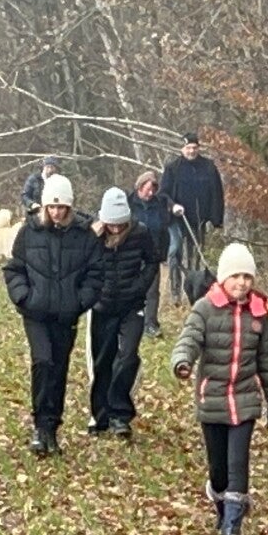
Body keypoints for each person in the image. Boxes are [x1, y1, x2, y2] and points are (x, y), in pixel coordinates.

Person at [170, 243, 268, 535]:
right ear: (223, 278)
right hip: (213, 399)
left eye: (247, 277)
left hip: (245, 401)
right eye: (235, 276)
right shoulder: (205, 308)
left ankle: (232, 527)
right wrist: (182, 361)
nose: (241, 283)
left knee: (238, 464)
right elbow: (189, 339)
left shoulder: (258, 312)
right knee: (218, 469)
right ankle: (221, 510)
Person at [3, 173, 102, 456]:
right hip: (35, 313)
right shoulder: (29, 232)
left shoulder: (84, 236)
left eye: (62, 207)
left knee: (59, 369)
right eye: (52, 207)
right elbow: (14, 269)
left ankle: (51, 428)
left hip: (66, 315)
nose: (57, 212)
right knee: (43, 362)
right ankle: (39, 425)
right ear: (45, 206)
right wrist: (24, 296)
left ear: (70, 207)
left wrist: (79, 301)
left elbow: (96, 274)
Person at [87, 187, 162, 438]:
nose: (117, 229)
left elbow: (152, 261)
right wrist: (93, 291)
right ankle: (100, 416)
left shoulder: (140, 232)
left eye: (121, 224)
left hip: (132, 306)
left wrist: (140, 286)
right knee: (103, 361)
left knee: (128, 357)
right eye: (112, 224)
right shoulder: (93, 237)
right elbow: (82, 264)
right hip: (102, 306)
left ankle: (120, 413)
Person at [160, 133, 225, 307]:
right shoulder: (173, 168)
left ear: (199, 148)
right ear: (182, 148)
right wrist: (172, 205)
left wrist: (216, 219)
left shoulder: (208, 167)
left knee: (195, 256)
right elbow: (163, 193)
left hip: (198, 220)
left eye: (194, 148)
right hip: (176, 218)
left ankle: (195, 293)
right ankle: (175, 293)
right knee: (175, 250)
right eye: (188, 148)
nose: (191, 151)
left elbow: (217, 193)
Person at [128, 171, 174, 337]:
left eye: (153, 190)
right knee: (132, 289)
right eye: (147, 189)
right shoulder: (129, 203)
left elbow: (165, 231)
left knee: (153, 291)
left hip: (152, 255)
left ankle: (151, 324)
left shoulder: (159, 205)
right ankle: (131, 320)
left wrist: (163, 254)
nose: (150, 193)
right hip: (132, 253)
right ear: (139, 187)